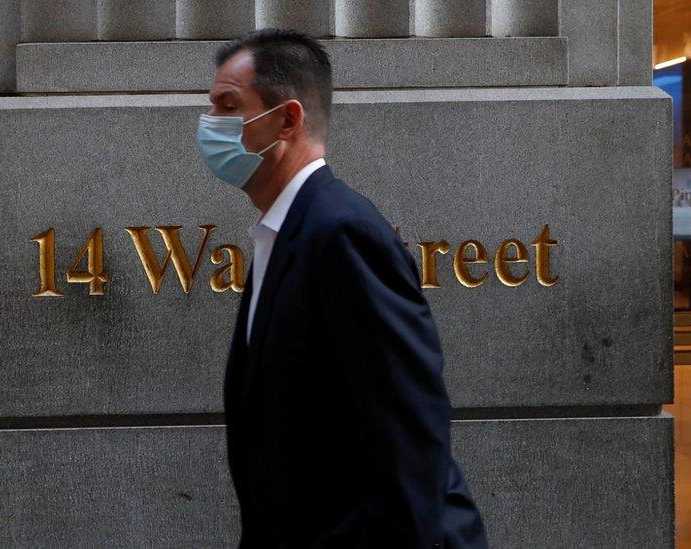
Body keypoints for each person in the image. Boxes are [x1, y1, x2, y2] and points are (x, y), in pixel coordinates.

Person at [196, 27, 489, 549]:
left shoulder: (339, 231)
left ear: (287, 119)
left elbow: (410, 429)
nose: (210, 123)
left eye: (227, 105)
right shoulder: (286, 233)